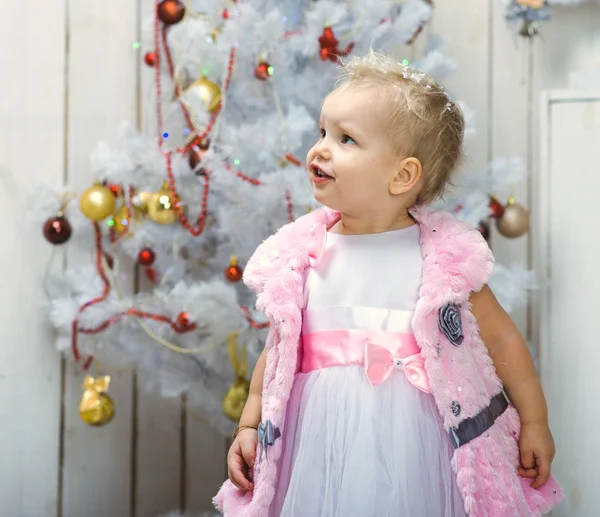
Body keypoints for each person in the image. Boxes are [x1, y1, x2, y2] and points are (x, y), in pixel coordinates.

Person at [214, 51, 563, 517]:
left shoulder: (441, 259)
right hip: (318, 439)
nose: (320, 149)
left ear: (402, 176)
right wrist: (248, 425)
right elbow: (278, 350)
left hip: (420, 439)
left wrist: (534, 420)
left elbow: (501, 340)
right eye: (322, 132)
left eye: (346, 139)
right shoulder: (303, 253)